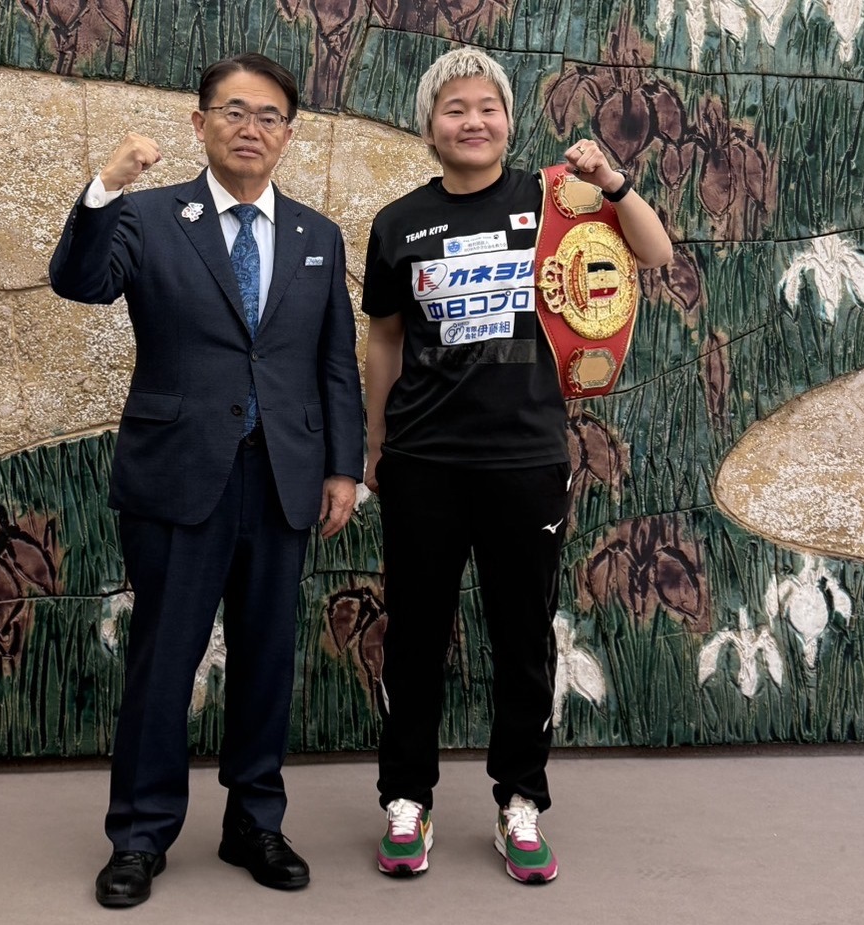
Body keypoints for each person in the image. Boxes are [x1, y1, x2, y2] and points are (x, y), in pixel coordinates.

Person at [49, 53, 364, 906]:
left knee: (267, 659)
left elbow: (335, 362)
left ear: (288, 134)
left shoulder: (316, 236)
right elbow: (79, 282)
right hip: (179, 474)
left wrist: (345, 466)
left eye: (269, 116)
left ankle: (254, 821)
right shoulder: (150, 215)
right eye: (233, 111)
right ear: (200, 124)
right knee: (164, 659)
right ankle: (139, 835)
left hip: (285, 477)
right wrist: (104, 187)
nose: (250, 128)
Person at [361, 47, 672, 884]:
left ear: (507, 119)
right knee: (414, 637)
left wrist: (612, 181)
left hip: (526, 457)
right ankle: (407, 798)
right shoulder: (397, 223)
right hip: (423, 458)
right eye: (454, 108)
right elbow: (384, 339)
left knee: (522, 637)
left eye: (487, 107)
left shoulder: (559, 200)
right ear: (429, 127)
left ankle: (521, 801)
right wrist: (376, 442)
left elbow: (655, 253)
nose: (473, 121)